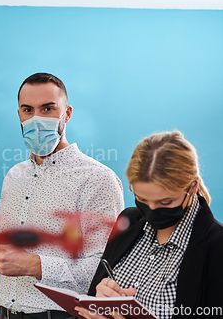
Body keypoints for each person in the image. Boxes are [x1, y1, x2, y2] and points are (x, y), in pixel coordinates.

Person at [0, 73, 124, 319]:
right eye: (28, 110)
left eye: (47, 109)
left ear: (66, 114)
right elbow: (4, 251)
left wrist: (34, 265)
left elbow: (107, 269)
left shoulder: (97, 179)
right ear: (19, 115)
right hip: (4, 313)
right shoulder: (15, 175)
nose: (36, 119)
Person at [77, 131, 223, 319]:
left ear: (192, 187)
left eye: (165, 202)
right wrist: (99, 300)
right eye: (142, 199)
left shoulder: (216, 246)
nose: (152, 210)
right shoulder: (128, 221)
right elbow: (93, 298)